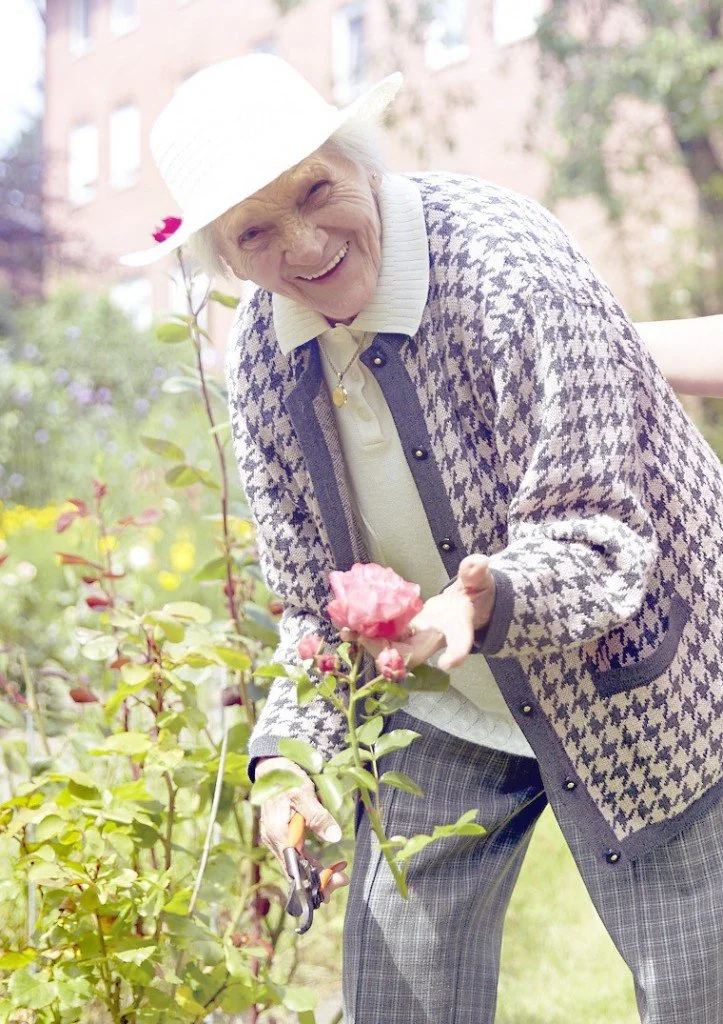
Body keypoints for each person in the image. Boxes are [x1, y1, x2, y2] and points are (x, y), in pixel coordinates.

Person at [122, 54, 723, 1024]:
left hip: (642, 670)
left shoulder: (508, 263)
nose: (305, 243)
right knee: (398, 991)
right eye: (257, 230)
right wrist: (287, 765)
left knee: (704, 987)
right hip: (444, 699)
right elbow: (313, 613)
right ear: (227, 259)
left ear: (359, 161)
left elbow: (604, 535)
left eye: (316, 189)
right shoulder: (267, 366)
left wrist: (479, 602)